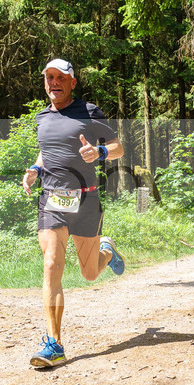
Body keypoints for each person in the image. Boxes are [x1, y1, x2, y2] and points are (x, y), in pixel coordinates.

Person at [22, 58, 125, 368]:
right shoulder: (41, 117)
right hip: (52, 200)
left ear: (72, 83)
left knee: (89, 273)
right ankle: (54, 343)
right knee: (52, 263)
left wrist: (100, 152)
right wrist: (34, 169)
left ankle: (106, 250)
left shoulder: (89, 112)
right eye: (48, 77)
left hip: (87, 200)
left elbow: (118, 146)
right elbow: (46, 150)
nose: (53, 82)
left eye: (60, 77)